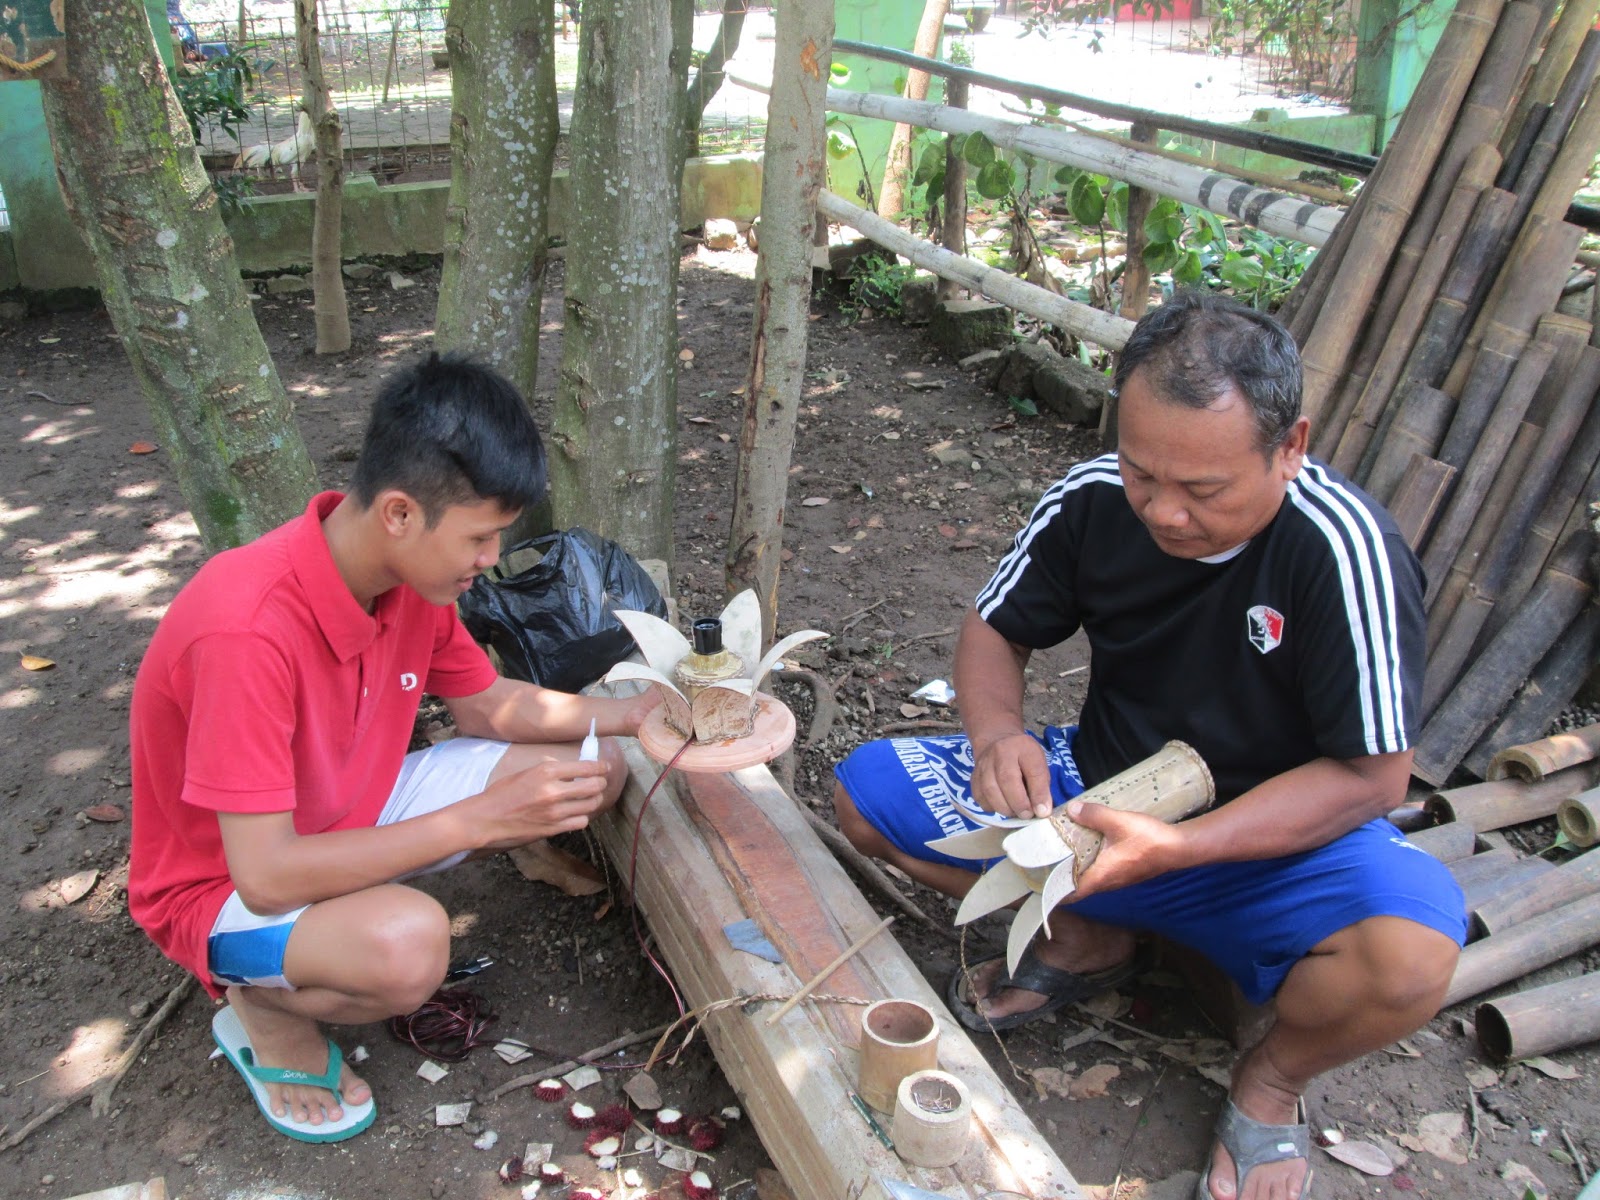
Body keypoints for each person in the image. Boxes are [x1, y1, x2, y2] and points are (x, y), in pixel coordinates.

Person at [832, 292, 1465, 1200]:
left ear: (1291, 446)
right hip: (1095, 799)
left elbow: (1371, 777)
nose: (1163, 512)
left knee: (1411, 958)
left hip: (1268, 843)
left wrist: (1185, 848)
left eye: (1203, 489)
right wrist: (998, 734)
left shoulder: (1344, 551)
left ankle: (1270, 1081)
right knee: (867, 794)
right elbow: (994, 629)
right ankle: (1090, 932)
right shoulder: (1093, 499)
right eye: (1142, 474)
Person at [129, 354, 654, 1143]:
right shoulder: (245, 630)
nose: (489, 560)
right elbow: (266, 876)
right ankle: (262, 1012)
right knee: (410, 950)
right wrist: (480, 820)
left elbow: (488, 704)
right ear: (401, 515)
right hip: (224, 885)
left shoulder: (409, 580)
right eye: (480, 537)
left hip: (346, 811)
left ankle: (332, 931)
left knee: (588, 766)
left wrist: (640, 716)